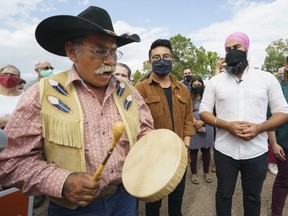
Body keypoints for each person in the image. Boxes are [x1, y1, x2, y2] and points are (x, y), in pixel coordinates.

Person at [0, 6, 154, 216]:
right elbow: (11, 163)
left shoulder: (129, 92)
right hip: (73, 210)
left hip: (125, 200)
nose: (110, 60)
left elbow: (146, 134)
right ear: (72, 51)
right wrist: (62, 182)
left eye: (113, 51)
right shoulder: (41, 94)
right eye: (100, 50)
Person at [199, 32, 288, 216]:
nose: (232, 52)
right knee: (223, 195)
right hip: (225, 152)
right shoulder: (215, 82)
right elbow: (204, 112)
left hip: (256, 152)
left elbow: (283, 112)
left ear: (246, 48)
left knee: (252, 197)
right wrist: (226, 125)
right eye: (227, 49)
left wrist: (259, 128)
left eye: (236, 47)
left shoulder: (266, 78)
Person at [135, 39, 195, 216]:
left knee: (177, 200)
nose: (162, 60)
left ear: (172, 60)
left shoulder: (182, 90)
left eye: (166, 56)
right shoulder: (141, 89)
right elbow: (135, 123)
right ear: (149, 62)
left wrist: (185, 146)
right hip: (153, 158)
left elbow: (188, 120)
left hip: (180, 156)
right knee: (153, 204)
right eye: (157, 57)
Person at [268, 55, 288, 216]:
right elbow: (270, 117)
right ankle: (276, 213)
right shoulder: (279, 88)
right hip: (284, 144)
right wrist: (273, 143)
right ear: (286, 65)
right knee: (284, 180)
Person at [189, 76, 214, 184]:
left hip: (207, 123)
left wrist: (203, 122)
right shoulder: (189, 97)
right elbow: (187, 112)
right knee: (193, 151)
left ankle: (206, 172)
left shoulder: (207, 96)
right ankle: (194, 173)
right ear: (191, 86)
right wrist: (196, 124)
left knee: (206, 151)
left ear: (203, 85)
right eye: (194, 85)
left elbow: (212, 110)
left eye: (199, 84)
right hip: (193, 124)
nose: (197, 87)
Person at [0, 64, 23, 129]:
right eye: (5, 74)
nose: (9, 76)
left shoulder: (25, 97)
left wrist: (9, 121)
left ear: (18, 79)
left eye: (13, 75)